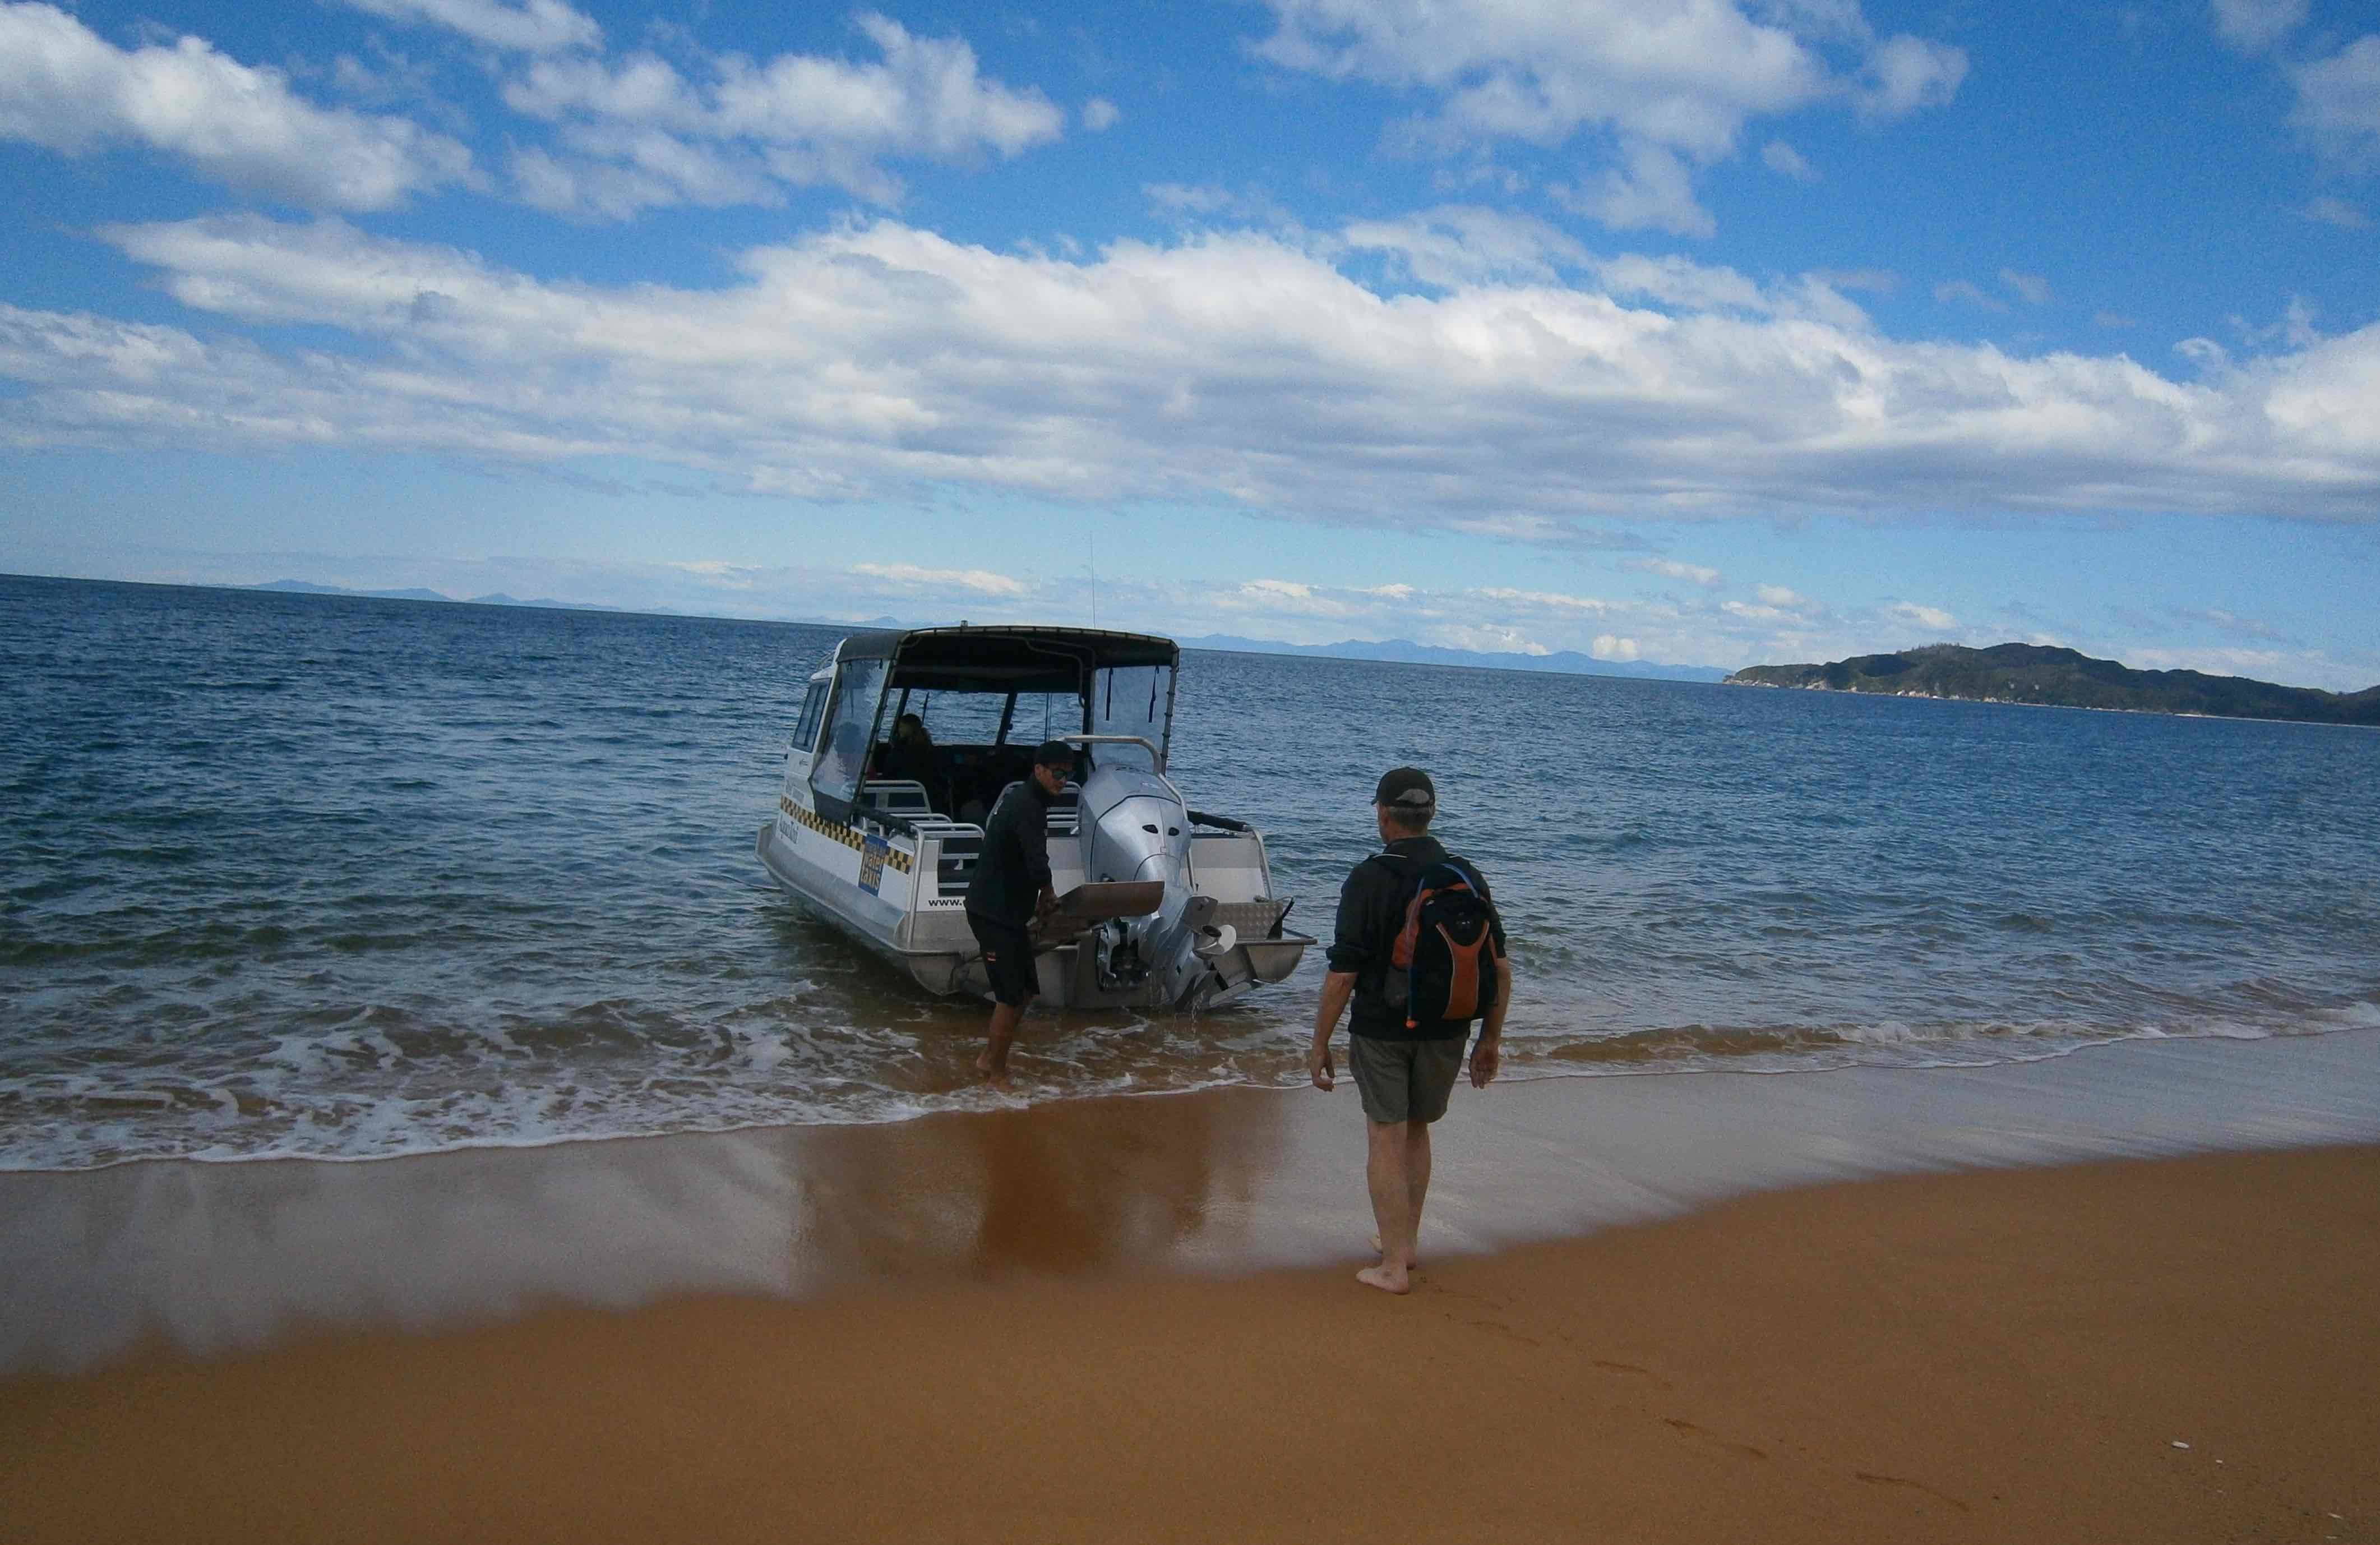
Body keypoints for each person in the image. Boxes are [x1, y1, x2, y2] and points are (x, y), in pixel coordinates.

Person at [1308, 766, 1511, 1294]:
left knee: (1385, 1134)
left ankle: (1392, 1267)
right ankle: (1406, 1246)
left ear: (1382, 813)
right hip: (1448, 1025)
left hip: (1382, 1027)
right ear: (1431, 815)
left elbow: (1344, 972)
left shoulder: (1368, 876)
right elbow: (1501, 966)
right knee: (1417, 1130)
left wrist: (1319, 1042)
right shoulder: (1463, 873)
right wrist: (1489, 1039)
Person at [963, 739, 1073, 1086]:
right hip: (992, 914)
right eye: (1057, 773)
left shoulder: (1033, 803)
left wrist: (1039, 901)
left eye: (1068, 775)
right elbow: (1037, 860)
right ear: (1038, 770)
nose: (1063, 781)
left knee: (1025, 991)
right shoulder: (1026, 805)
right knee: (1010, 997)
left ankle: (990, 1059)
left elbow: (1028, 860)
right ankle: (994, 1071)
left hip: (1010, 914)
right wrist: (1049, 893)